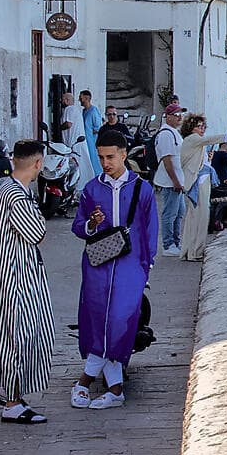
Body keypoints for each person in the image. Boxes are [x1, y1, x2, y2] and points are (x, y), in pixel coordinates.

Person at [71, 127, 159, 409]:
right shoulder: (91, 189)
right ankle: (116, 389)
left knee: (121, 321)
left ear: (123, 155)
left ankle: (84, 380)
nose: (106, 163)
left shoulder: (141, 189)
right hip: (98, 264)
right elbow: (78, 227)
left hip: (131, 265)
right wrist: (92, 224)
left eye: (110, 156)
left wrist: (146, 266)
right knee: (97, 319)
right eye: (101, 157)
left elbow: (149, 230)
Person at [0, 140, 56, 424]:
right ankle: (13, 402)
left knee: (14, 335)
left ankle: (13, 395)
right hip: (16, 276)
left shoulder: (6, 190)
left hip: (15, 273)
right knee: (18, 336)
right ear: (38, 164)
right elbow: (37, 233)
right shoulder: (16, 196)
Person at [178, 114, 227, 261]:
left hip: (200, 180)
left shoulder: (195, 142)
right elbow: (208, 140)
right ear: (191, 128)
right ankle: (195, 252)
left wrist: (208, 157)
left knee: (195, 217)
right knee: (199, 217)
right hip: (197, 182)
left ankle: (189, 251)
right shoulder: (193, 139)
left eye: (203, 127)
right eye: (199, 127)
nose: (202, 130)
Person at [151, 103, 187, 256]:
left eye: (181, 114)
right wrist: (176, 181)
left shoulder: (174, 133)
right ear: (168, 117)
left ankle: (176, 241)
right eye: (176, 115)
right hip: (171, 180)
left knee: (179, 212)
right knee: (170, 212)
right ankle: (168, 244)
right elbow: (167, 160)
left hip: (178, 179)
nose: (179, 117)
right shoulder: (166, 134)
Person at [77, 89, 104, 177]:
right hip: (84, 141)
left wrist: (90, 132)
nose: (79, 100)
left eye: (81, 98)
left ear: (86, 98)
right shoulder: (84, 111)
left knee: (94, 161)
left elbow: (98, 127)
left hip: (92, 142)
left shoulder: (93, 111)